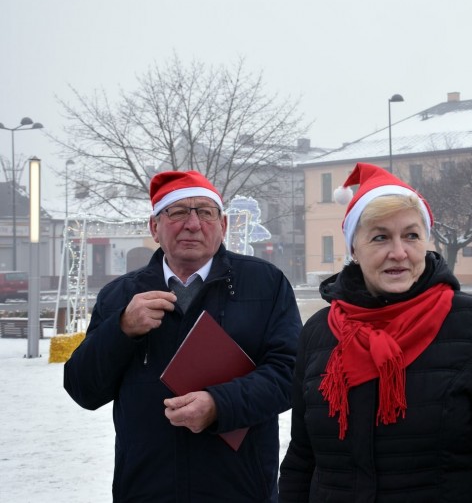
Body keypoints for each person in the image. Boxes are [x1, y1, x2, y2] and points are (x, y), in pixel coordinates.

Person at [279, 163, 472, 501]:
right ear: (354, 248)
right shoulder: (319, 333)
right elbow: (302, 458)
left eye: (411, 236)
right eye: (380, 237)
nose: (399, 252)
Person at [64, 170, 302, 502]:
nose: (192, 224)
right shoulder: (120, 296)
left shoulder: (266, 284)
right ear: (154, 227)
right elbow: (83, 390)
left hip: (240, 490)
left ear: (223, 225)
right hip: (147, 490)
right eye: (177, 212)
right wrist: (121, 329)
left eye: (205, 212)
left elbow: (290, 374)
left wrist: (219, 405)